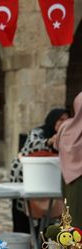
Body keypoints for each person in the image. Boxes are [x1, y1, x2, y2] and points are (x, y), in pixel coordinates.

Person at [9, 108, 69, 233]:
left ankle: (41, 244)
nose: (64, 122)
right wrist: (49, 141)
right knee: (23, 212)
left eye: (66, 119)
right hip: (23, 176)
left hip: (46, 179)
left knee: (46, 214)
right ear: (53, 120)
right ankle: (24, 244)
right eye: (61, 119)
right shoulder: (38, 132)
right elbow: (31, 146)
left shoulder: (68, 135)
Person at [55, 92, 82, 228]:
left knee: (72, 224)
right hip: (77, 183)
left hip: (68, 180)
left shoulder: (66, 127)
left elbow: (55, 144)